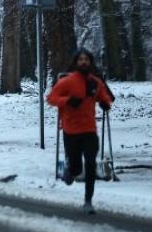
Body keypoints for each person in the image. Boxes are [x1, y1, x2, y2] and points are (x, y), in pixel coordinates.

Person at [47, 48, 114, 214]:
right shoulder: (67, 81)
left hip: (89, 130)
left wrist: (105, 104)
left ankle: (88, 201)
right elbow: (51, 98)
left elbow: (104, 97)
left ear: (90, 62)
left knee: (90, 164)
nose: (84, 62)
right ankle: (70, 171)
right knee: (77, 168)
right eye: (80, 59)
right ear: (76, 62)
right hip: (70, 130)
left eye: (86, 59)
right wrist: (68, 100)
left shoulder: (95, 82)